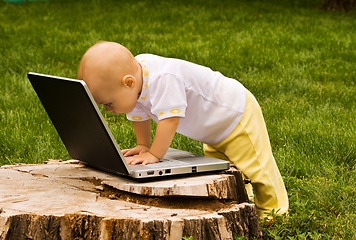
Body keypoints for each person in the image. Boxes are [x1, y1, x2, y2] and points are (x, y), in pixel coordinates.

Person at [77, 41, 289, 219]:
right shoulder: (136, 82)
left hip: (235, 116)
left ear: (128, 83)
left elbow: (169, 121)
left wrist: (154, 154)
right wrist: (143, 145)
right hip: (213, 128)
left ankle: (274, 213)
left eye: (108, 104)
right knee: (228, 170)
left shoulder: (163, 79)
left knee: (257, 168)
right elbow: (139, 116)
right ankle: (245, 202)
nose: (108, 110)